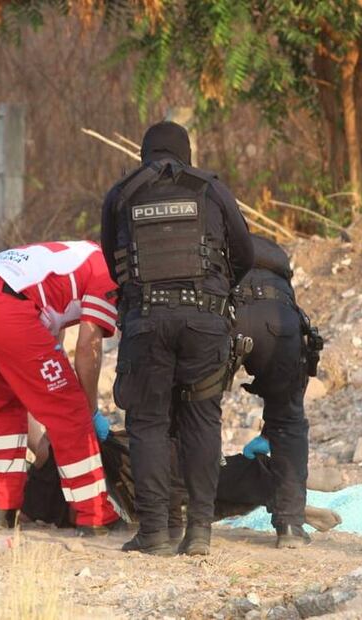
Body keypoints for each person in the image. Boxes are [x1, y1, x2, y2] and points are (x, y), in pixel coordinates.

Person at [100, 121, 253, 556]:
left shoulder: (122, 193)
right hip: (204, 322)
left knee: (148, 422)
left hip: (146, 322)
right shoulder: (211, 189)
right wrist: (216, 290)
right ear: (186, 153)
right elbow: (245, 252)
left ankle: (154, 532)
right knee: (201, 419)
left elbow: (112, 262)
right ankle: (199, 529)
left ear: (144, 154)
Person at [0, 241, 121, 535]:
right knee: (70, 410)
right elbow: (87, 348)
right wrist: (89, 409)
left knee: (4, 406)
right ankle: (94, 515)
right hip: (5, 307)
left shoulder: (73, 257)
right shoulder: (108, 270)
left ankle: (3, 510)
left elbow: (51, 335)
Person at [21, 430, 341, 537]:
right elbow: (45, 441)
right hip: (119, 466)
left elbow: (43, 444)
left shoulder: (35, 495)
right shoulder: (39, 482)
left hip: (115, 489)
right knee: (204, 475)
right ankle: (285, 491)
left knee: (197, 489)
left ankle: (285, 490)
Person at [228, 233, 323, 547]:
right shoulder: (276, 258)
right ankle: (290, 525)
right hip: (278, 319)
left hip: (225, 315)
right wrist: (272, 430)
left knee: (198, 413)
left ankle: (192, 522)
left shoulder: (214, 247)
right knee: (288, 419)